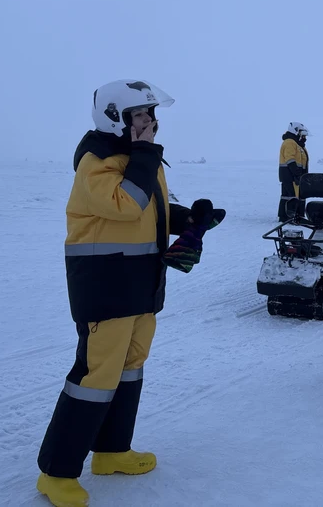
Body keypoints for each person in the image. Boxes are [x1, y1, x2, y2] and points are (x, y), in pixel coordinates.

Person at [36, 79, 222, 507]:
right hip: (105, 284)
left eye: (153, 114)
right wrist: (144, 155)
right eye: (142, 114)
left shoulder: (139, 158)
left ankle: (112, 451)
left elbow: (147, 210)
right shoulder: (96, 162)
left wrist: (188, 218)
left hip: (141, 282)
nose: (151, 122)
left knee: (130, 367)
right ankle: (56, 472)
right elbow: (123, 204)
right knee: (94, 376)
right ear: (116, 117)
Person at [277, 122, 309, 220]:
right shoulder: (289, 142)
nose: (304, 137)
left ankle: (297, 215)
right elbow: (290, 160)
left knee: (296, 195)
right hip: (289, 175)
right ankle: (286, 217)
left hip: (295, 175)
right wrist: (296, 173)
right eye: (302, 134)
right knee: (290, 196)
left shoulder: (298, 145)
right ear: (296, 131)